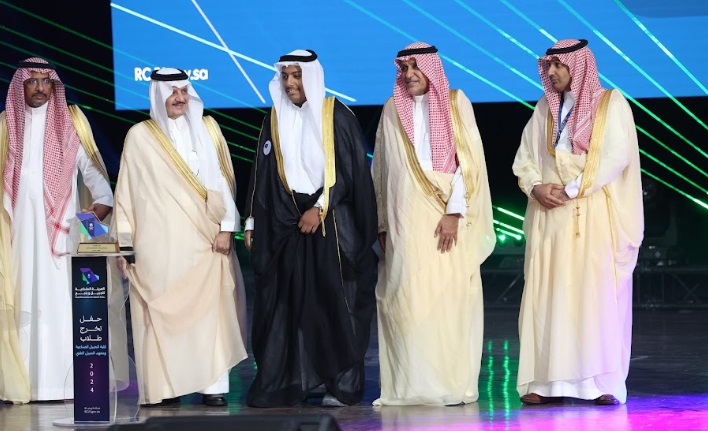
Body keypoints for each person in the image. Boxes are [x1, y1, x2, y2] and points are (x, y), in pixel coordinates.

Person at [512, 39, 643, 406]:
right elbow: (525, 157)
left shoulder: (610, 103)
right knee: (548, 294)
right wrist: (536, 187)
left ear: (578, 66)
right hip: (549, 215)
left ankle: (599, 384)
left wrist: (571, 189)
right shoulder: (544, 108)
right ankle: (544, 381)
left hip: (590, 213)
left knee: (592, 295)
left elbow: (615, 157)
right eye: (548, 66)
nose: (551, 72)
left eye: (558, 65)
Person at [244, 49, 378, 408]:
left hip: (330, 225)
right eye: (285, 76)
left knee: (334, 305)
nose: (290, 83)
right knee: (289, 306)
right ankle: (292, 381)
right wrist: (252, 220)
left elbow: (349, 172)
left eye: (297, 75)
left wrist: (319, 207)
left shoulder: (336, 115)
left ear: (312, 77)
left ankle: (340, 383)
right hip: (285, 225)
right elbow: (261, 174)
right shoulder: (274, 118)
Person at [112, 68, 247, 407]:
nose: (180, 98)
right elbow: (125, 194)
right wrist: (125, 244)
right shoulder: (139, 136)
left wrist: (227, 227)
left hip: (204, 241)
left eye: (184, 91)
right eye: (173, 92)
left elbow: (220, 182)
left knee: (208, 316)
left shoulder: (206, 129)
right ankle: (166, 388)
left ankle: (212, 386)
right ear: (159, 95)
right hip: (157, 247)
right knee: (159, 317)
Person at [372, 42, 495, 406]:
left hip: (446, 220)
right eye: (404, 68)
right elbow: (381, 169)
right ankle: (411, 386)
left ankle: (448, 384)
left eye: (416, 67)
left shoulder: (456, 103)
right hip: (404, 223)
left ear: (431, 69)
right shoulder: (392, 109)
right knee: (407, 302)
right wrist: (383, 222)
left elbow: (469, 163)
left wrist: (454, 213)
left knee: (447, 301)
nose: (409, 74)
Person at [0, 58, 114, 403]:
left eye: (45, 81)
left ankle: (62, 385)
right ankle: (22, 384)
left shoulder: (70, 126)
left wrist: (95, 215)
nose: (39, 88)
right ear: (20, 85)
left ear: (54, 86)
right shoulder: (6, 126)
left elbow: (98, 183)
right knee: (20, 305)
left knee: (58, 306)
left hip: (61, 237)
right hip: (16, 237)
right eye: (32, 81)